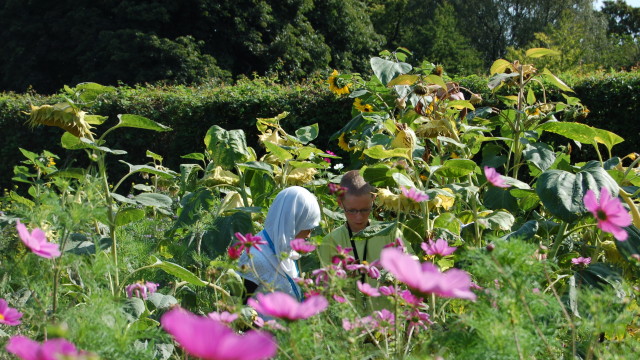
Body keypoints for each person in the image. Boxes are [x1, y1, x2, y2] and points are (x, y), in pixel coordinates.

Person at [238, 186, 321, 302]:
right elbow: (237, 305)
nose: (308, 236)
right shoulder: (255, 259)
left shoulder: (286, 249)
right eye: (308, 228)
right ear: (292, 222)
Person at [318, 170, 410, 267]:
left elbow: (411, 263)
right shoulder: (331, 241)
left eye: (365, 210)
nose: (359, 217)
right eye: (352, 211)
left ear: (373, 199)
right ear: (340, 203)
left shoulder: (390, 232)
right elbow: (326, 279)